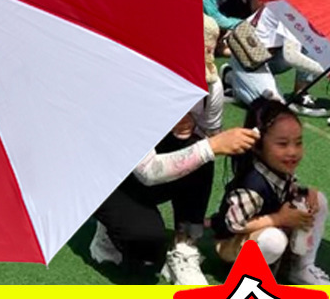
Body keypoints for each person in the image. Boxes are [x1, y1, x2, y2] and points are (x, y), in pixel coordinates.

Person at [90, 116, 258, 284]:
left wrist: (190, 130)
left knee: (198, 151)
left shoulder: (212, 91)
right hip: (105, 178)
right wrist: (210, 145)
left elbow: (211, 133)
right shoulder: (127, 100)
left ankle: (184, 246)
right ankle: (108, 228)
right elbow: (149, 172)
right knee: (146, 241)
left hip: (145, 167)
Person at [212, 99, 329, 284]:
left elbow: (286, 191)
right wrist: (279, 219)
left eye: (298, 143)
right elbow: (233, 224)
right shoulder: (252, 185)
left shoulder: (278, 170)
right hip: (233, 245)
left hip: (263, 231)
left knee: (318, 201)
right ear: (257, 146)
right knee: (274, 240)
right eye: (282, 144)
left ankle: (301, 268)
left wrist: (306, 193)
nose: (293, 151)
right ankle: (251, 280)